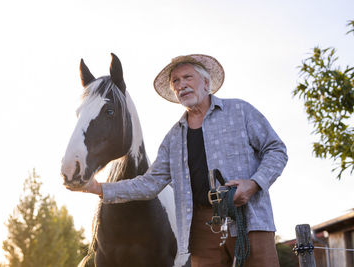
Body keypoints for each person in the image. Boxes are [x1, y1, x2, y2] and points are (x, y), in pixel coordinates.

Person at [74, 54, 288, 267]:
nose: (181, 85)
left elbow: (276, 149)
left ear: (206, 82)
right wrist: (99, 188)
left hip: (249, 221)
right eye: (175, 81)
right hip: (203, 229)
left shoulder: (240, 111)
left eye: (187, 77)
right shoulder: (173, 138)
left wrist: (253, 184)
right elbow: (149, 183)